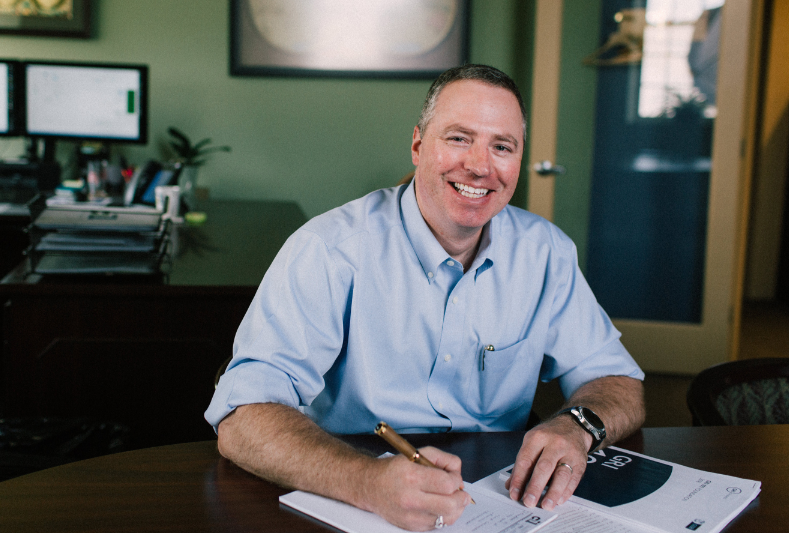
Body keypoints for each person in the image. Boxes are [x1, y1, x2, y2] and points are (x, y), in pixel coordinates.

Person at [206, 64, 645, 531]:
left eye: (502, 146)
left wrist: (577, 425)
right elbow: (242, 416)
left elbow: (618, 381)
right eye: (459, 138)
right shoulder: (329, 250)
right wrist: (366, 481)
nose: (479, 165)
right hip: (350, 492)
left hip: (500, 503)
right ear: (418, 145)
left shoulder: (546, 252)